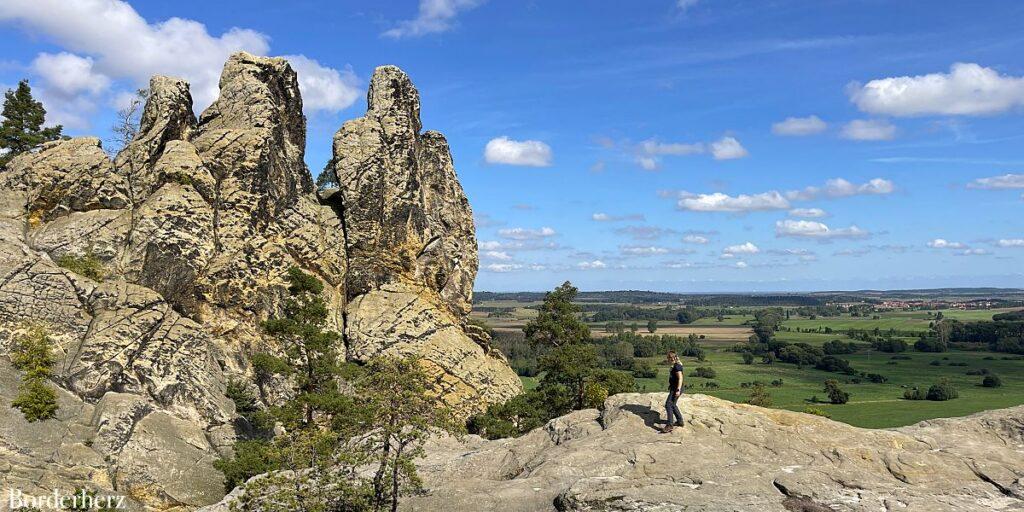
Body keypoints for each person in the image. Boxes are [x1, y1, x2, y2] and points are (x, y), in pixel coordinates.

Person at [661, 351, 684, 433]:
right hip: (674, 388)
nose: (667, 359)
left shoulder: (677, 366)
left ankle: (670, 425)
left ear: (673, 358)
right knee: (673, 404)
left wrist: (678, 389)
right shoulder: (675, 365)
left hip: (676, 389)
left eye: (669, 357)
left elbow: (680, 378)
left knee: (668, 404)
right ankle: (680, 421)